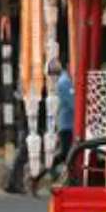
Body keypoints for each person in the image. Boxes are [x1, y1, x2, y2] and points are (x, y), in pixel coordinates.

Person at [30, 60, 75, 193]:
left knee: (67, 155)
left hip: (68, 124)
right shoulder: (64, 82)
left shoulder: (66, 81)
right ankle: (38, 177)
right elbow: (73, 103)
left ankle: (65, 180)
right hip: (67, 125)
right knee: (65, 155)